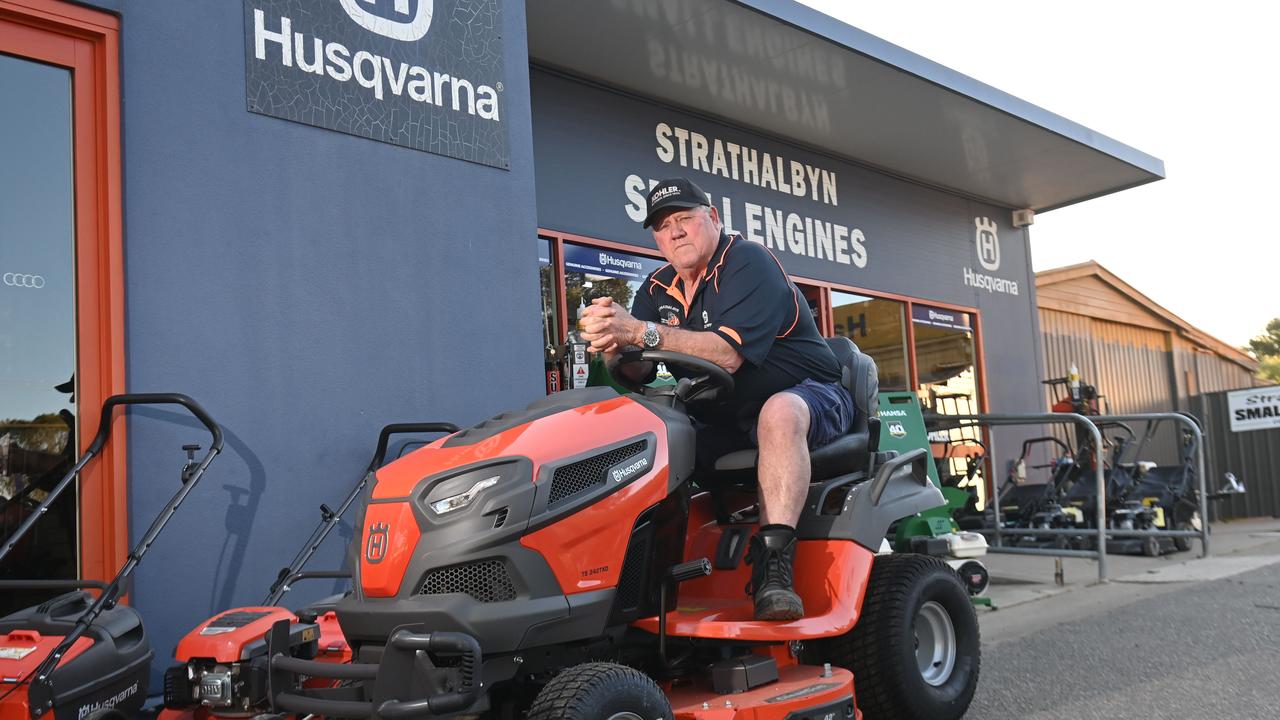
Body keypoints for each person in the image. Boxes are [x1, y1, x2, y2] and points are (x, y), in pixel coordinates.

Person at [580, 177, 854, 621]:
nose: (676, 232)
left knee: (779, 412)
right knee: (648, 433)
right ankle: (638, 574)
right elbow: (639, 369)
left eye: (685, 218)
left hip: (813, 394)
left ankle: (775, 569)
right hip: (725, 413)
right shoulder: (655, 288)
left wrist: (636, 331)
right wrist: (615, 345)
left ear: (713, 219)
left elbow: (727, 354)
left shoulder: (747, 262)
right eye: (663, 226)